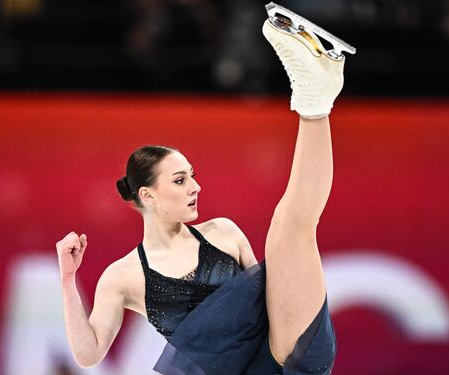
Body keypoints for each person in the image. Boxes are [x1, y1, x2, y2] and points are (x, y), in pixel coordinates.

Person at [56, 5, 354, 374]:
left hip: (283, 359)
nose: (196, 187)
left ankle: (315, 100)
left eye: (192, 176)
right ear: (147, 195)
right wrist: (68, 280)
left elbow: (278, 298)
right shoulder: (123, 276)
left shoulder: (225, 233)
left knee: (289, 228)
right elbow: (89, 354)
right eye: (180, 181)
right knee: (285, 231)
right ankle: (315, 99)